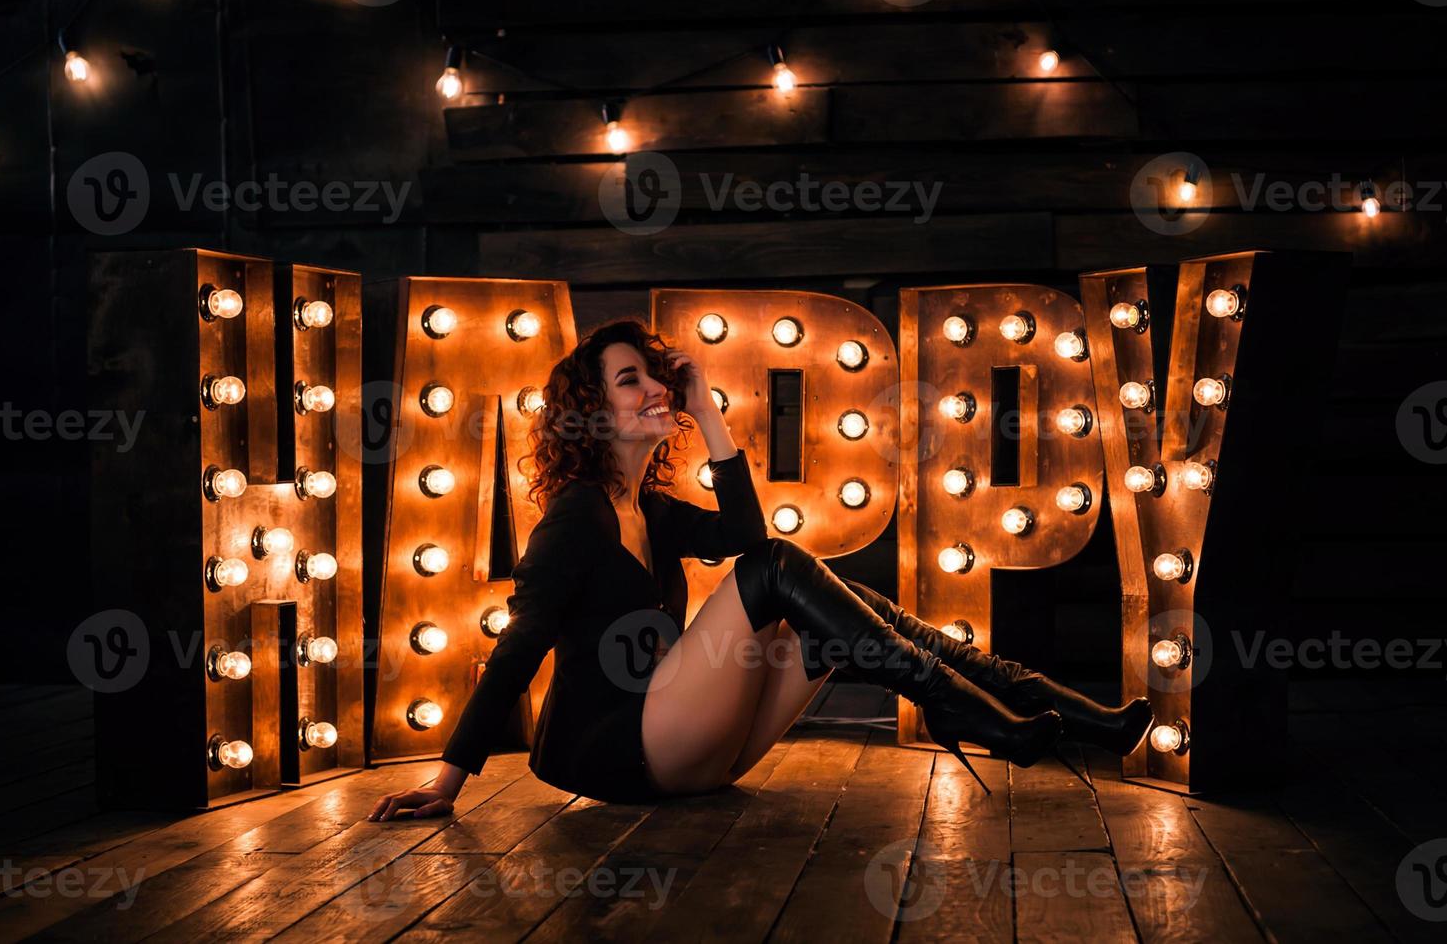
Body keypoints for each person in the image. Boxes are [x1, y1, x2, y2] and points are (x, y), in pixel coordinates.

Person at [368, 318, 1152, 821]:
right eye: (628, 378)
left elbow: (741, 528)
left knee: (852, 606)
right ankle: (958, 713)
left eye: (652, 373)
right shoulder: (575, 515)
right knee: (781, 569)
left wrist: (705, 411)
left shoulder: (651, 508)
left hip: (698, 754)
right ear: (591, 413)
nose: (651, 386)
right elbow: (521, 643)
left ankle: (1088, 725)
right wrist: (445, 783)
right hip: (617, 751)